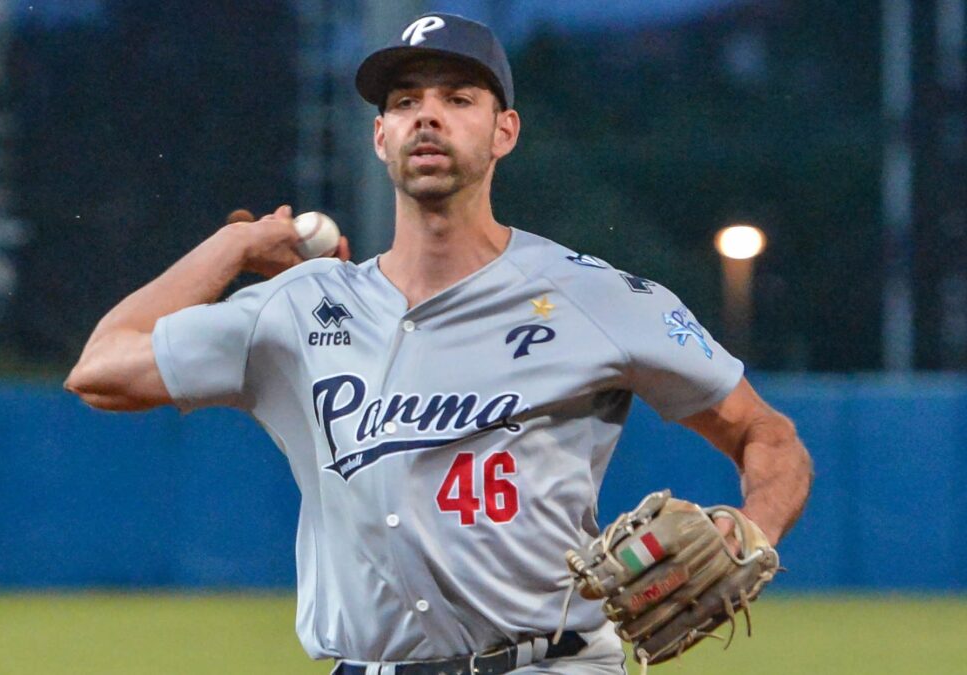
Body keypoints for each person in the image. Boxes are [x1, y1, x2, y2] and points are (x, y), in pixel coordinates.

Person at [65, 13, 812, 675]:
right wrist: (230, 246)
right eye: (405, 101)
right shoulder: (298, 310)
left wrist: (753, 528)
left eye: (458, 99)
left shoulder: (597, 297)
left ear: (504, 131)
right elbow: (99, 369)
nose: (428, 117)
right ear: (380, 135)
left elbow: (765, 433)